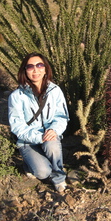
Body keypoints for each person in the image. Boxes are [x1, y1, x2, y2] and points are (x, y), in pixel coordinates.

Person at [8, 52, 69, 192]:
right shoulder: (17, 96)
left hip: (49, 134)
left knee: (52, 145)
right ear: (25, 70)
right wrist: (39, 137)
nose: (35, 70)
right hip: (28, 141)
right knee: (42, 173)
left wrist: (54, 130)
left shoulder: (55, 91)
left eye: (39, 65)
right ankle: (28, 165)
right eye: (30, 67)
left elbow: (61, 116)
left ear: (46, 68)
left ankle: (59, 178)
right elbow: (17, 126)